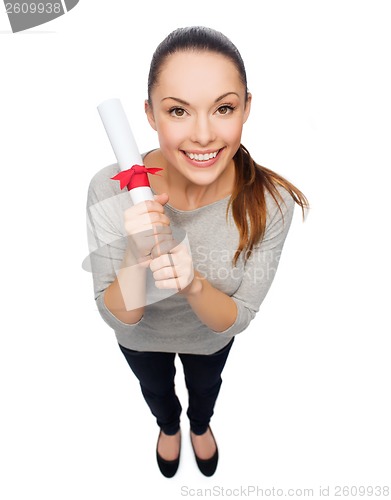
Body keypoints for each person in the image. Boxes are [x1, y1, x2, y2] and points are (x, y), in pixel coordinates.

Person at [86, 26, 309, 478]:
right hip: (141, 340)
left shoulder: (271, 203)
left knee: (206, 388)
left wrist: (191, 283)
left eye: (224, 108)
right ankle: (168, 427)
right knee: (156, 391)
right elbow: (116, 315)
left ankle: (200, 425)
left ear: (246, 107)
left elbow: (240, 315)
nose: (204, 135)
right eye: (179, 111)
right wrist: (137, 251)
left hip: (211, 341)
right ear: (150, 114)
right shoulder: (109, 188)